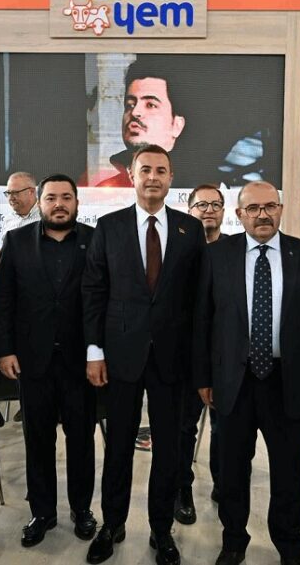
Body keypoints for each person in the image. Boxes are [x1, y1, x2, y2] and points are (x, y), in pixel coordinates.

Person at [193, 181, 300, 565]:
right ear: (239, 215)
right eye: (253, 209)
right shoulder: (217, 256)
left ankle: (290, 546)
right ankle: (233, 541)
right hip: (233, 383)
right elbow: (202, 320)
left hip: (288, 380)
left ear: (281, 209)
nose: (262, 215)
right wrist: (203, 378)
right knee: (232, 470)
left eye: (270, 206)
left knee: (290, 471)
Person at [82, 145, 205, 565]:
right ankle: (112, 524)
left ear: (171, 178)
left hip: (174, 358)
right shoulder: (108, 227)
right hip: (120, 356)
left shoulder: (190, 230)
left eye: (161, 170)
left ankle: (161, 529)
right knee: (118, 445)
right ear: (132, 177)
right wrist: (94, 351)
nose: (153, 177)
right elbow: (94, 291)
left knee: (169, 449)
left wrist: (199, 361)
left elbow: (199, 300)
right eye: (145, 170)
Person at [0, 173, 98, 548]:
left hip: (81, 363)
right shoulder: (16, 241)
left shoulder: (94, 240)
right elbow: (4, 300)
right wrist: (4, 350)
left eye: (66, 197)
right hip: (32, 363)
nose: (59, 204)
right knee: (37, 441)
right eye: (51, 197)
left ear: (77, 202)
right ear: (39, 202)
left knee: (81, 441)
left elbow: (103, 301)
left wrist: (99, 352)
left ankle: (82, 509)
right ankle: (42, 513)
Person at [175, 184, 227, 525]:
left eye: (215, 204)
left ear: (224, 211)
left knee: (226, 428)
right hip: (185, 357)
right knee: (183, 429)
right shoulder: (177, 252)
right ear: (189, 211)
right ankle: (182, 489)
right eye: (201, 204)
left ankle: (223, 485)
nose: (208, 209)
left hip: (226, 357)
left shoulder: (237, 250)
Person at [96, 68, 186, 188]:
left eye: (151, 105)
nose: (135, 112)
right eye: (130, 105)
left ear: (177, 125)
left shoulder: (197, 188)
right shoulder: (106, 190)